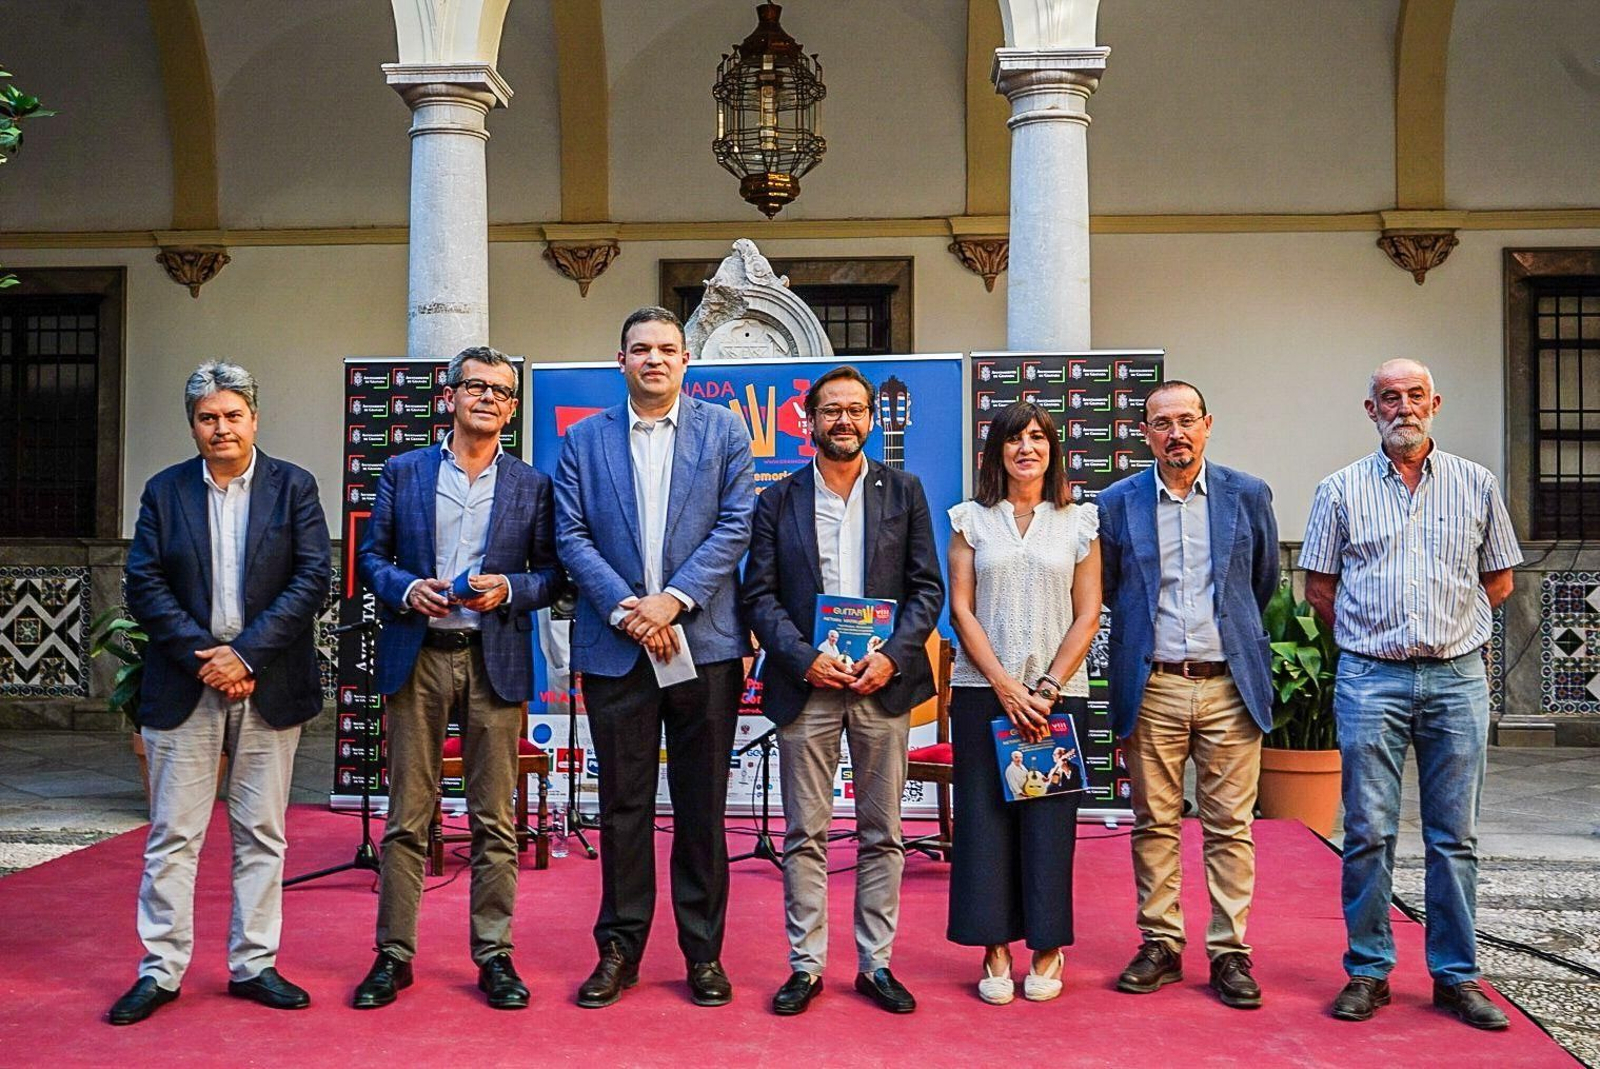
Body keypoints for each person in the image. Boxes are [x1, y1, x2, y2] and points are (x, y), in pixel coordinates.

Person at [1301, 359, 1521, 1030]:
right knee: (1367, 831)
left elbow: (1501, 578)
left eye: (1415, 395)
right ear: (1371, 409)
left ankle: (1456, 975)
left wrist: (1448, 631)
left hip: (1456, 679)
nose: (1403, 407)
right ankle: (1369, 970)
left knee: (1455, 836)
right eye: (1389, 397)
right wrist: (1374, 641)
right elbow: (1319, 589)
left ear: (1436, 402)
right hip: (1372, 679)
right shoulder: (1337, 490)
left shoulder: (1477, 484)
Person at [111, 361, 330, 1025]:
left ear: (254, 419)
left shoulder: (293, 486)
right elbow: (144, 583)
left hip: (267, 681)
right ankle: (160, 968)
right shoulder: (164, 490)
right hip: (186, 682)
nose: (221, 428)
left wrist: (246, 653)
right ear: (193, 425)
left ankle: (254, 962)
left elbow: (312, 578)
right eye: (208, 417)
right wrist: (207, 658)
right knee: (173, 835)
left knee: (261, 832)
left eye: (233, 415)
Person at [555, 306, 755, 1009]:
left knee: (701, 807)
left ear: (685, 360)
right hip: (617, 648)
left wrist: (671, 601)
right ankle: (619, 949)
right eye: (640, 348)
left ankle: (703, 953)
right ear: (621, 361)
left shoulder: (725, 431)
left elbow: (736, 524)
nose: (654, 359)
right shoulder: (583, 441)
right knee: (622, 806)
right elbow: (571, 535)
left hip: (704, 646)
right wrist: (630, 611)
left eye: (667, 349)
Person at [353, 346, 560, 1011]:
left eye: (502, 392)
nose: (489, 399)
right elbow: (371, 557)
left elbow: (552, 576)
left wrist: (510, 588)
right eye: (477, 387)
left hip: (492, 660)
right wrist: (406, 587)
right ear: (449, 396)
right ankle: (393, 955)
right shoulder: (406, 471)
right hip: (418, 655)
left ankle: (495, 954)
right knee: (408, 818)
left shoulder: (530, 483)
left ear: (512, 407)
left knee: (494, 820)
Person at [741, 365, 945, 1016]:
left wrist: (891, 656)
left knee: (882, 830)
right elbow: (759, 595)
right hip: (811, 685)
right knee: (806, 831)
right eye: (832, 410)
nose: (845, 420)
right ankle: (806, 965)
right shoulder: (777, 499)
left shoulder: (904, 491)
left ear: (871, 418)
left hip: (882, 682)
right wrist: (803, 659)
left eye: (856, 410)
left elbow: (927, 590)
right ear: (810, 420)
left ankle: (876, 963)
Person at [1096, 380, 1280, 1010]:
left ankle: (1230, 951)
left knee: (1230, 827)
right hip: (1154, 684)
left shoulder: (1246, 494)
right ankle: (1162, 943)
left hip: (1228, 685)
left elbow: (1260, 585)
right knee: (1155, 823)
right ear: (1144, 433)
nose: (1175, 433)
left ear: (1207, 424)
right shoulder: (1118, 502)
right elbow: (1112, 588)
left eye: (1185, 420)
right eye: (1160, 423)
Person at [946, 400, 1102, 1006]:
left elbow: (1088, 612)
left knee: (1046, 828)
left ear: (1052, 448)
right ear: (998, 452)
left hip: (1055, 700)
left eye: (1037, 437)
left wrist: (1046, 689)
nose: (1026, 448)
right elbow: (961, 609)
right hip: (984, 694)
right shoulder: (970, 520)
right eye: (1014, 439)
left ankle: (1045, 948)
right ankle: (994, 948)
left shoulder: (1079, 522)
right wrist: (1007, 688)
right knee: (984, 828)